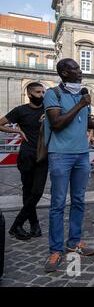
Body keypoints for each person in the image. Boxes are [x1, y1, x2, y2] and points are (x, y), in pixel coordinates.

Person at [43, 58, 94, 272]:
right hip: (60, 155)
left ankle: (74, 242)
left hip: (81, 155)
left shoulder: (81, 95)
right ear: (64, 73)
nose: (80, 71)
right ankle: (55, 250)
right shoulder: (53, 94)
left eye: (79, 67)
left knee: (78, 201)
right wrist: (81, 104)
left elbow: (81, 121)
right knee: (58, 203)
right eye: (75, 68)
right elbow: (57, 123)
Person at [0, 82, 47, 240]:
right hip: (27, 155)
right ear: (29, 94)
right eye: (38, 92)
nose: (42, 95)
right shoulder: (20, 110)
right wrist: (18, 130)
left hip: (43, 155)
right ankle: (34, 225)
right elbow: (0, 124)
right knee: (28, 192)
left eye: (43, 92)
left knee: (37, 192)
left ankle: (16, 225)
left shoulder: (48, 109)